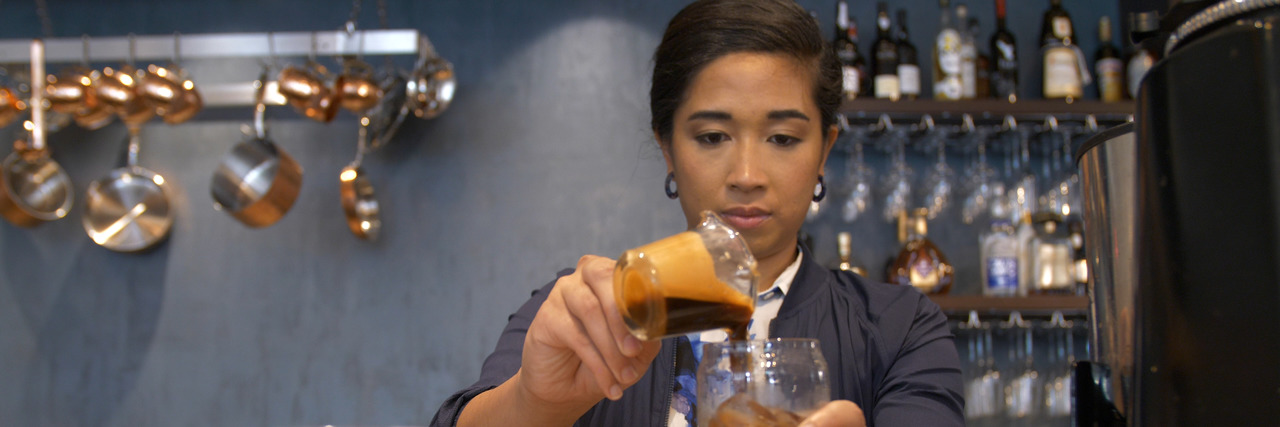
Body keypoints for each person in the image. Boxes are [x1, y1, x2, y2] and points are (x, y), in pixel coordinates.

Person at [431, 0, 964, 425]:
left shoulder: (899, 329)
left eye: (783, 138)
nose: (747, 174)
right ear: (667, 147)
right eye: (712, 136)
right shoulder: (585, 313)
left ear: (824, 150)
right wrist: (535, 403)